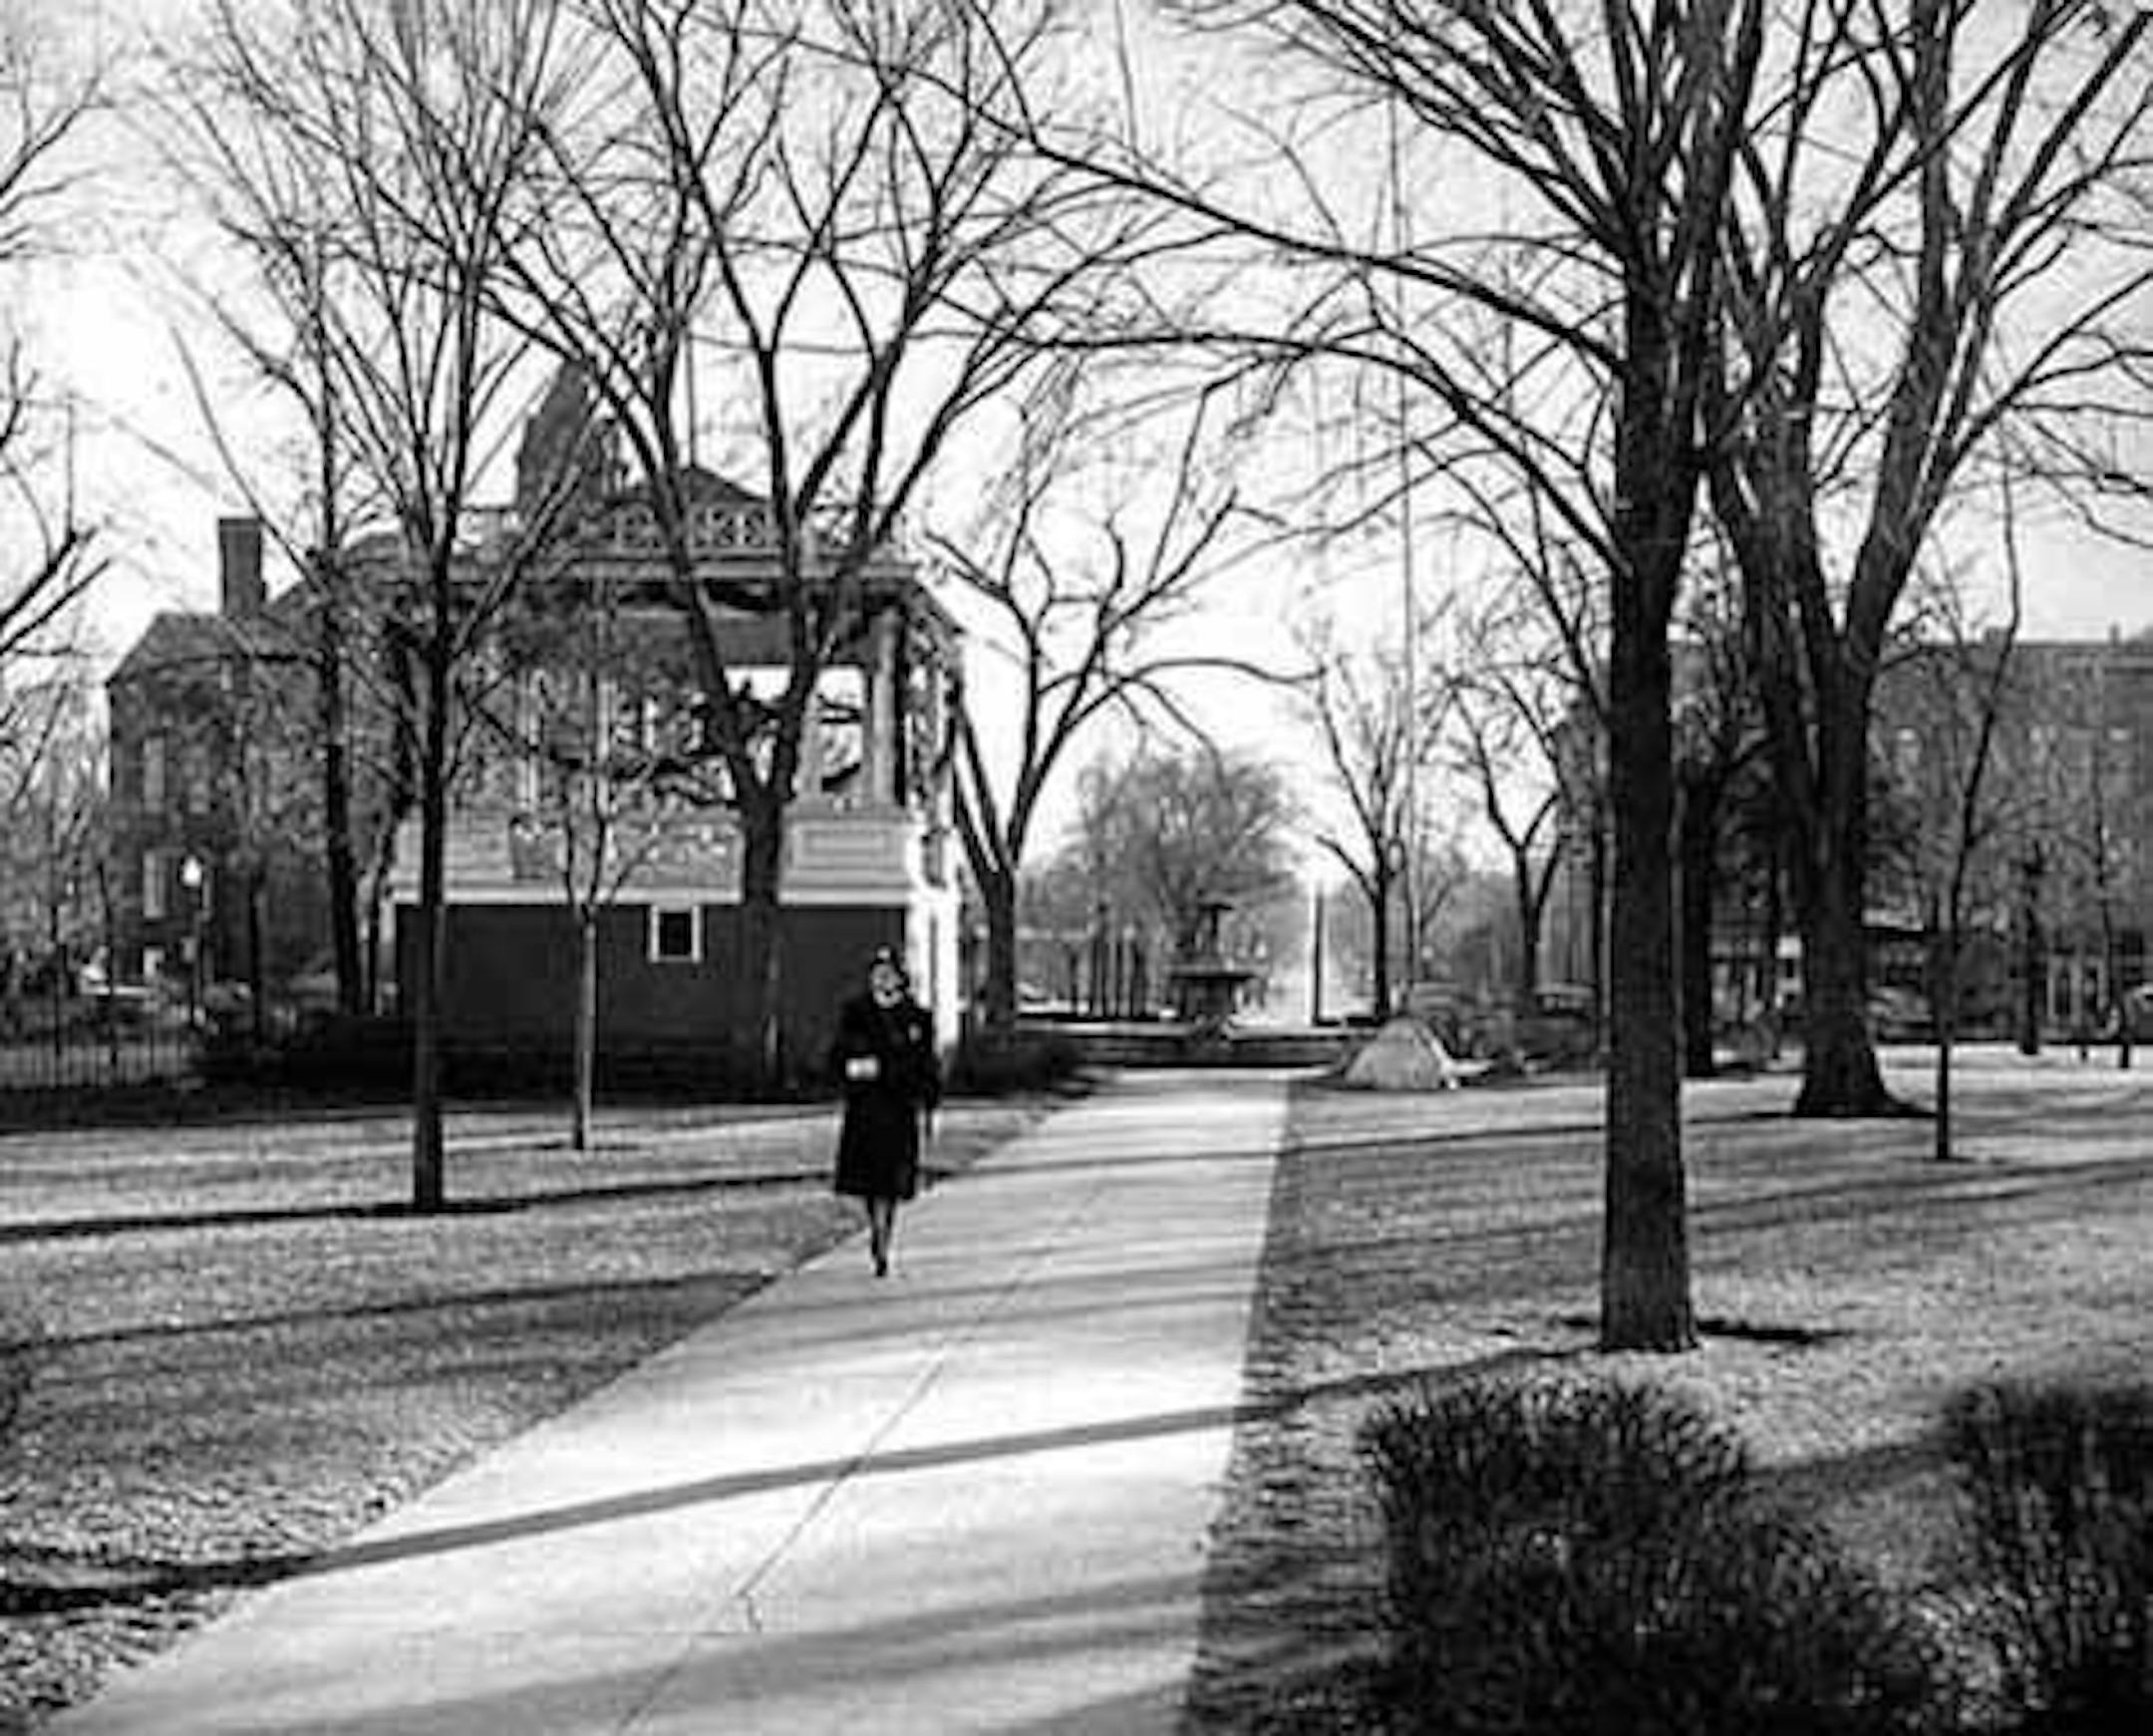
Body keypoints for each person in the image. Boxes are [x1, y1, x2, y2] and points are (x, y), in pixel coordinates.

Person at [830, 948, 940, 1277]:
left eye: (889, 973)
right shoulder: (855, 1012)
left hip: (899, 1108)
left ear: (901, 978)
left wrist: (930, 1102)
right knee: (867, 1180)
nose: (883, 979)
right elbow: (837, 1054)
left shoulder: (917, 1017)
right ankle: (874, 1225)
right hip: (865, 1107)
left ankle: (883, 1236)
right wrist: (851, 1070)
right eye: (877, 973)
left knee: (891, 1182)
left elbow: (926, 1065)